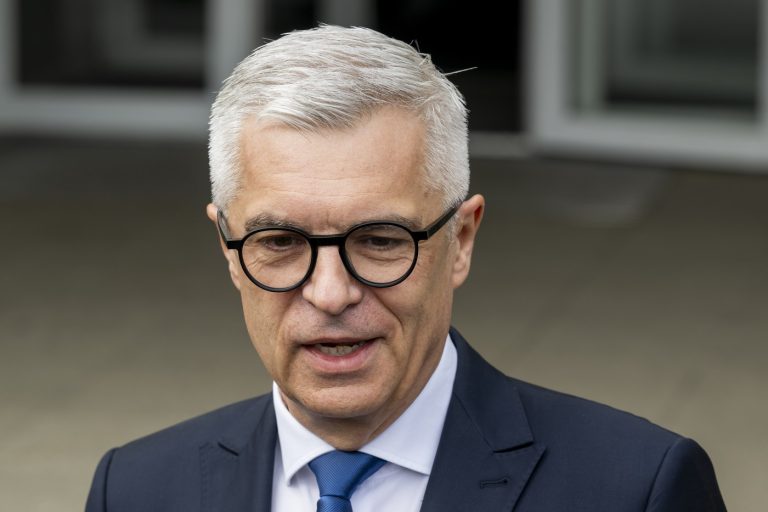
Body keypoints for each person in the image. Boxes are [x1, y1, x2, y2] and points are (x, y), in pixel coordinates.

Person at [85, 25, 726, 511]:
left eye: (379, 240)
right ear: (229, 249)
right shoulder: (136, 490)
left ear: (461, 240)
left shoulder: (636, 489)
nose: (330, 293)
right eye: (280, 241)